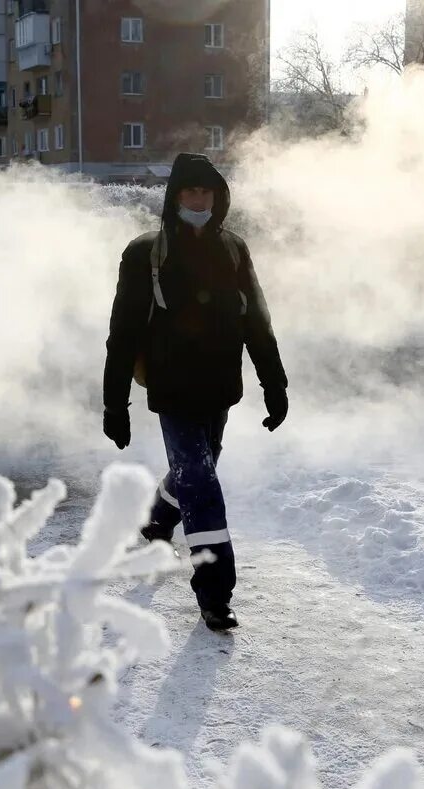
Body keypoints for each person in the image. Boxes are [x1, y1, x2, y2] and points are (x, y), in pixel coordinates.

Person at [103, 152, 288, 632]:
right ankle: (214, 593)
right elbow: (122, 333)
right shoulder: (146, 253)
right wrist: (114, 403)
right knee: (203, 487)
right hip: (171, 390)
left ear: (219, 196)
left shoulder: (234, 249)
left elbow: (257, 320)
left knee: (196, 468)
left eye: (206, 191)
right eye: (189, 191)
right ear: (174, 197)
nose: (198, 199)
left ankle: (157, 521)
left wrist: (274, 383)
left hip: (220, 388)